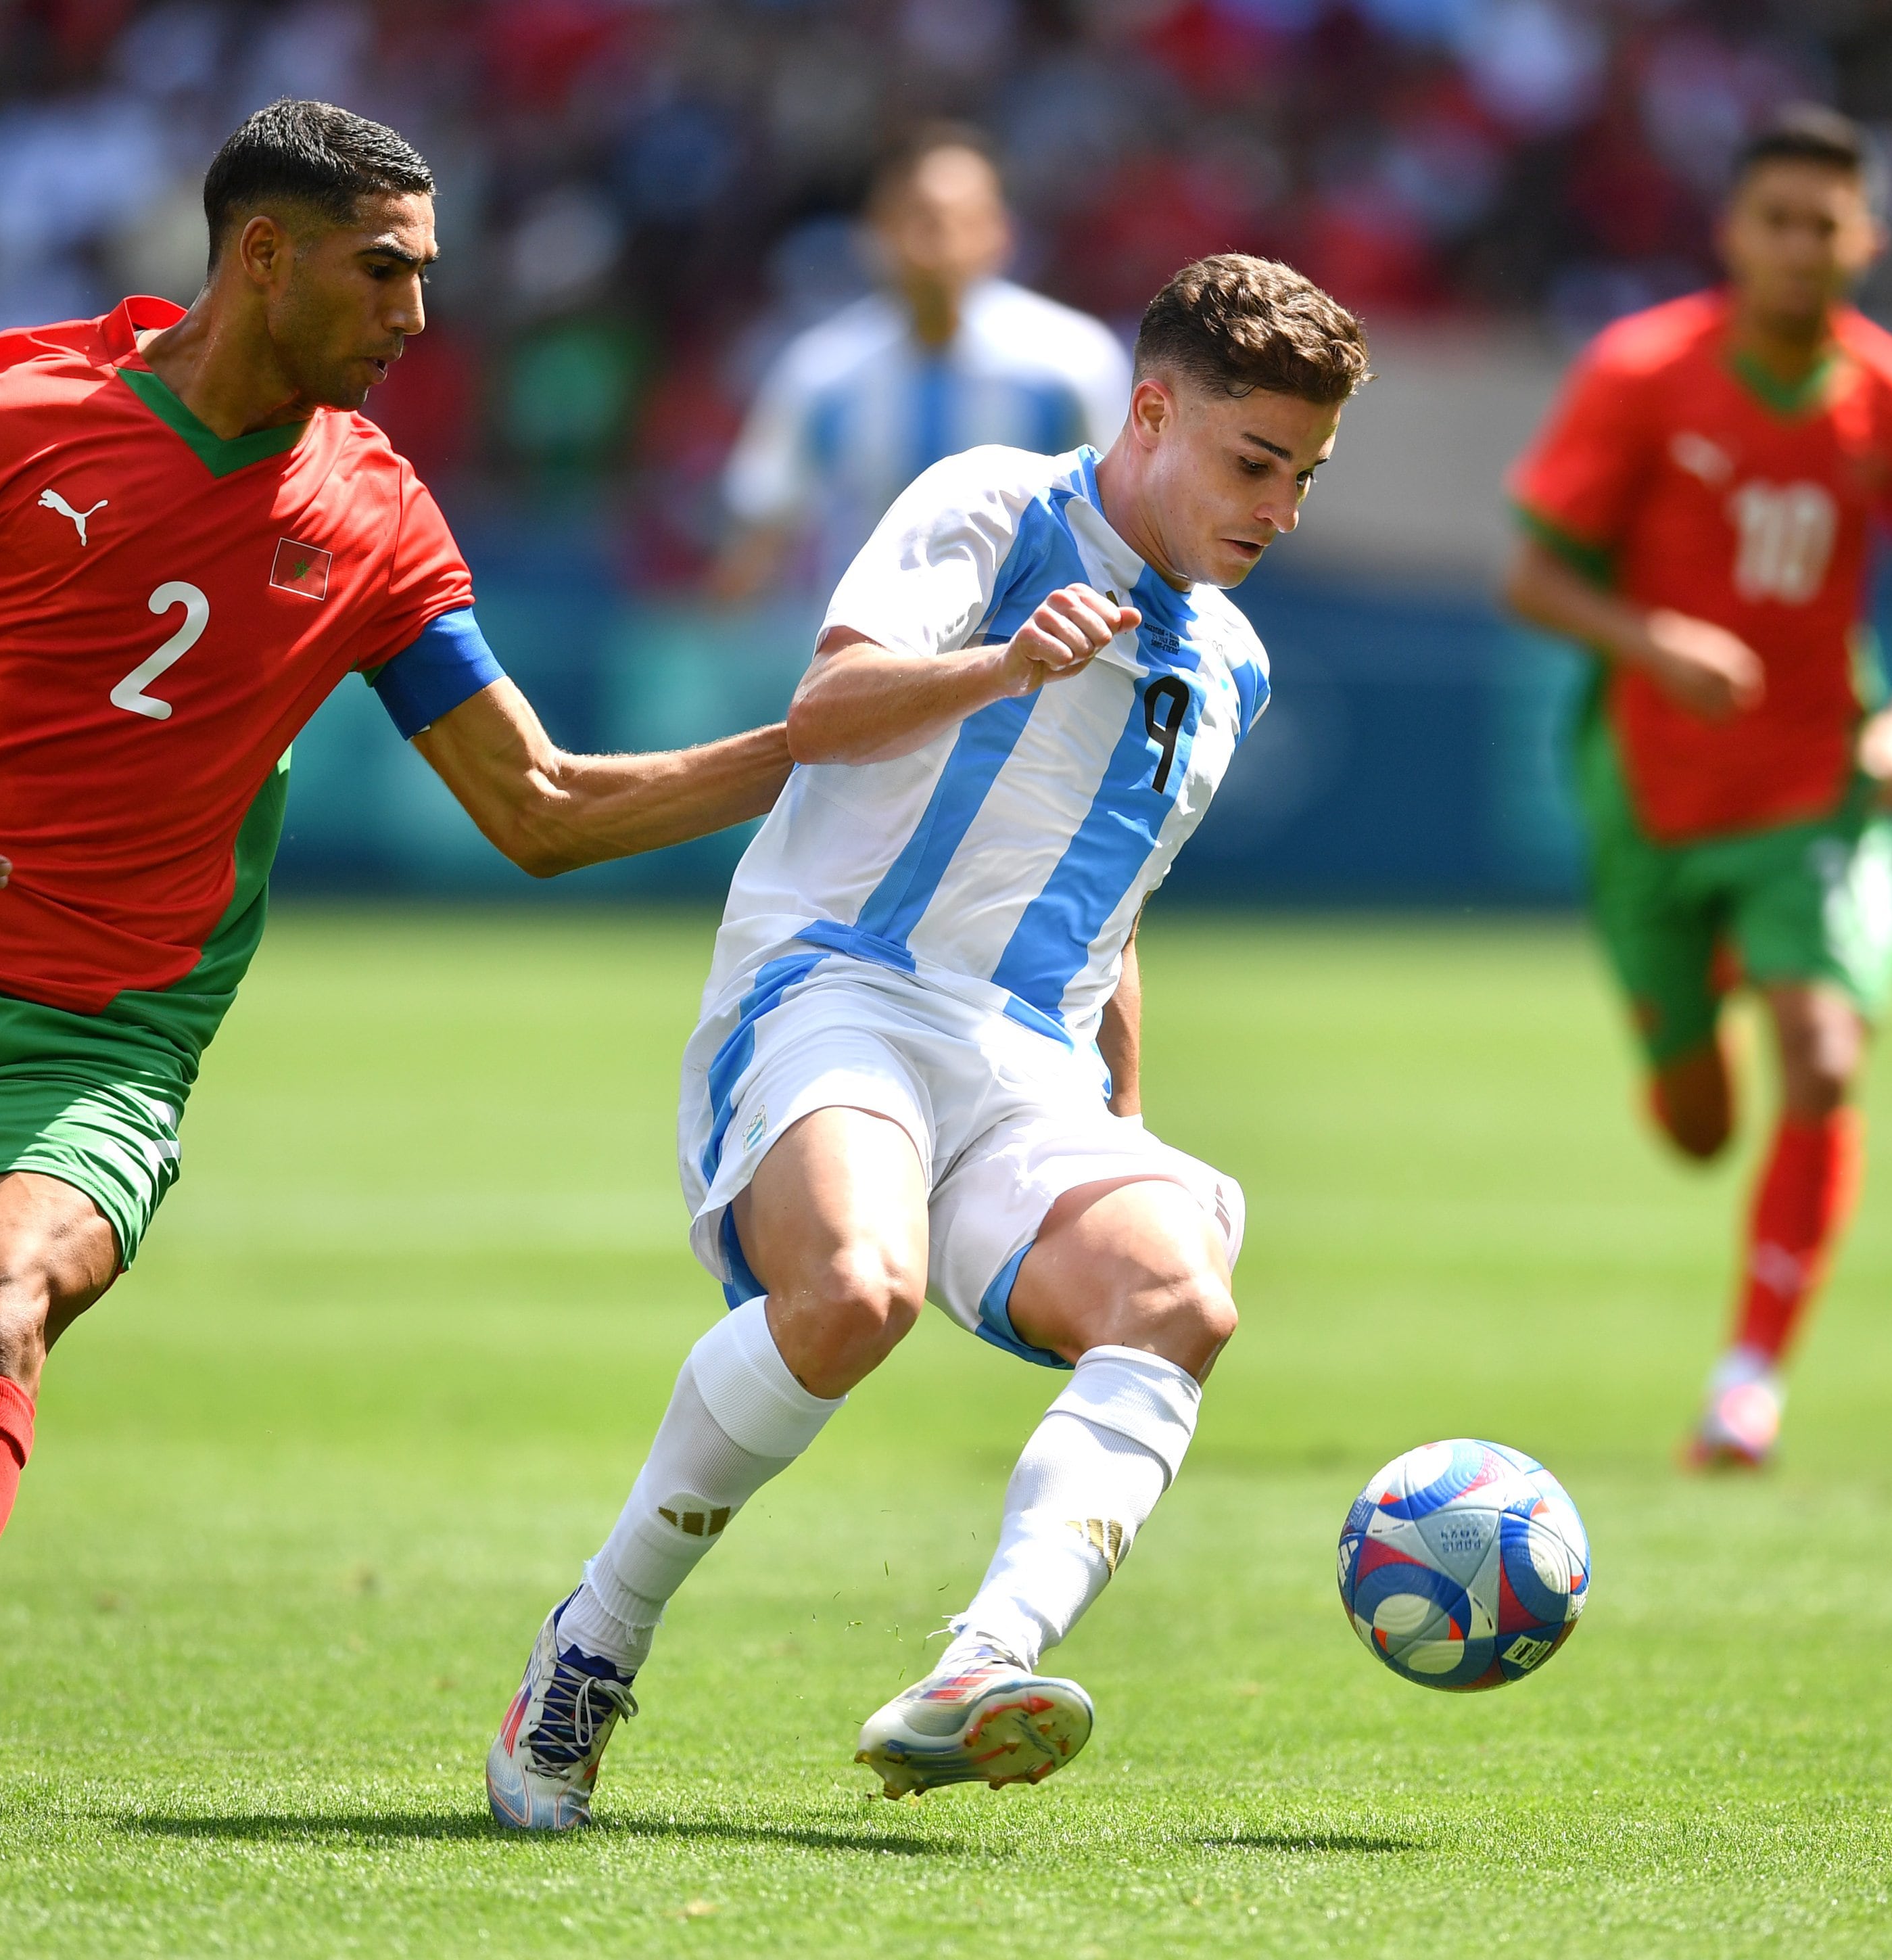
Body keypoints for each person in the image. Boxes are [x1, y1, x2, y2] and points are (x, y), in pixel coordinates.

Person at [0, 99, 792, 1828]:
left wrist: (817, 744)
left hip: (99, 1026)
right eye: (384, 270)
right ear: (264, 254)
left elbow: (540, 806)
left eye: (429, 274)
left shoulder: (379, 516)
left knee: (6, 1300)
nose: (418, 316)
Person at [488, 255, 1369, 1829]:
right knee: (855, 1293)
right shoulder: (994, 508)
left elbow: (1116, 911)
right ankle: (591, 1645)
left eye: (1305, 475)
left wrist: (1125, 1129)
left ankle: (979, 1666)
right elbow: (825, 705)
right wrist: (1007, 659)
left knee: (1179, 1291)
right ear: (1153, 413)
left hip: (1026, 1061)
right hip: (840, 986)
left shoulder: (1229, 659)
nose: (1279, 507)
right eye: (1255, 463)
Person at [1501, 104, 1892, 1470]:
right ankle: (1692, 1024)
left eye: (1822, 225)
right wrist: (1646, 638)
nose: (1797, 248)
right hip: (1648, 794)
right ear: (1730, 231)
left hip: (1811, 787)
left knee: (1823, 1056)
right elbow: (1530, 575)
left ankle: (1744, 1384)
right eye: (1772, 220)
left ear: (1865, 240)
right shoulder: (1638, 373)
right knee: (1695, 1127)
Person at [710, 123, 1131, 603]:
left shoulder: (1071, 362)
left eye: (961, 222)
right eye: (921, 220)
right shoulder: (822, 372)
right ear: (875, 233)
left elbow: (1123, 520)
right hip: (867, 661)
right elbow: (763, 526)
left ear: (1001, 233)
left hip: (1029, 658)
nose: (939, 244)